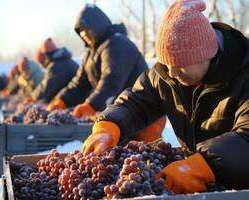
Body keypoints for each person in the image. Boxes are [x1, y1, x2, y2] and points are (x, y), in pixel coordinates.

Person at [82, 0, 249, 194]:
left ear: (207, 52)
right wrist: (109, 125)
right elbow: (136, 100)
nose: (173, 72)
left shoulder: (243, 75)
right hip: (197, 185)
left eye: (181, 63)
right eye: (167, 63)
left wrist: (205, 166)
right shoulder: (167, 74)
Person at [47, 4, 149, 118]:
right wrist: (61, 101)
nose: (84, 33)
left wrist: (92, 105)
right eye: (80, 30)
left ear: (97, 24)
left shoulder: (117, 43)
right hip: (122, 113)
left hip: (141, 113)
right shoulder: (91, 53)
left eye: (86, 28)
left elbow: (111, 82)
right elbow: (79, 83)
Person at [24, 38, 78, 104]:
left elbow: (46, 88)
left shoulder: (55, 66)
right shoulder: (65, 60)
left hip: (74, 101)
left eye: (42, 62)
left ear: (46, 56)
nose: (42, 66)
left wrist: (32, 97)